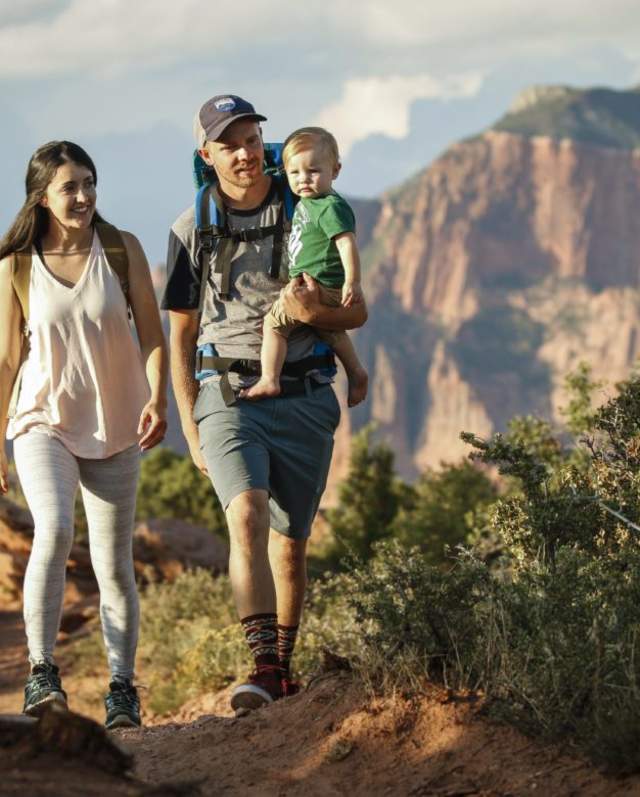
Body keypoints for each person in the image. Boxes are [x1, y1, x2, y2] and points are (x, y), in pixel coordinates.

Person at [163, 95, 367, 713]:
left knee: (289, 544)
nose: (246, 153)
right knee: (246, 514)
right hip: (227, 392)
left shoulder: (305, 206)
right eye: (230, 144)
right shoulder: (189, 227)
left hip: (305, 391)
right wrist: (192, 428)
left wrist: (316, 311)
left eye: (252, 139)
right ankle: (260, 668)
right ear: (208, 154)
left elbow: (356, 311)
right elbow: (179, 333)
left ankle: (282, 666)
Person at [0, 141, 168, 729]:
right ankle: (43, 674)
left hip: (116, 420)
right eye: (69, 187)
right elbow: (3, 358)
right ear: (42, 196)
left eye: (89, 183)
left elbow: (151, 334)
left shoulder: (120, 249)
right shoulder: (17, 263)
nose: (83, 196)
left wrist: (158, 399)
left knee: (113, 563)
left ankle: (122, 687)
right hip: (40, 417)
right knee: (54, 526)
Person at [240, 126, 368, 407]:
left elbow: (347, 243)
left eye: (313, 171)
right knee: (330, 331)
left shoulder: (329, 206)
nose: (303, 179)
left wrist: (352, 281)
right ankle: (357, 372)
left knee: (274, 325)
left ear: (335, 171)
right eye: (294, 173)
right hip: (318, 283)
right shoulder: (309, 201)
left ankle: (269, 379)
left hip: (319, 284)